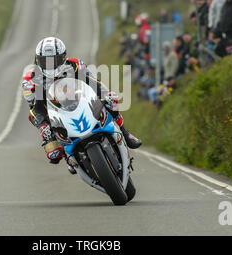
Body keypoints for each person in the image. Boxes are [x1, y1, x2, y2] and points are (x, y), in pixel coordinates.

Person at [21, 37, 142, 166]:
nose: (50, 65)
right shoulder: (31, 79)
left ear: (63, 57)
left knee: (110, 102)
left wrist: (107, 94)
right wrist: (43, 127)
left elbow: (93, 82)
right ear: (38, 60)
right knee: (54, 153)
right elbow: (34, 109)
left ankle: (124, 131)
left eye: (54, 60)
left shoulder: (75, 64)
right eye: (45, 61)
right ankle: (70, 156)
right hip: (53, 114)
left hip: (80, 101)